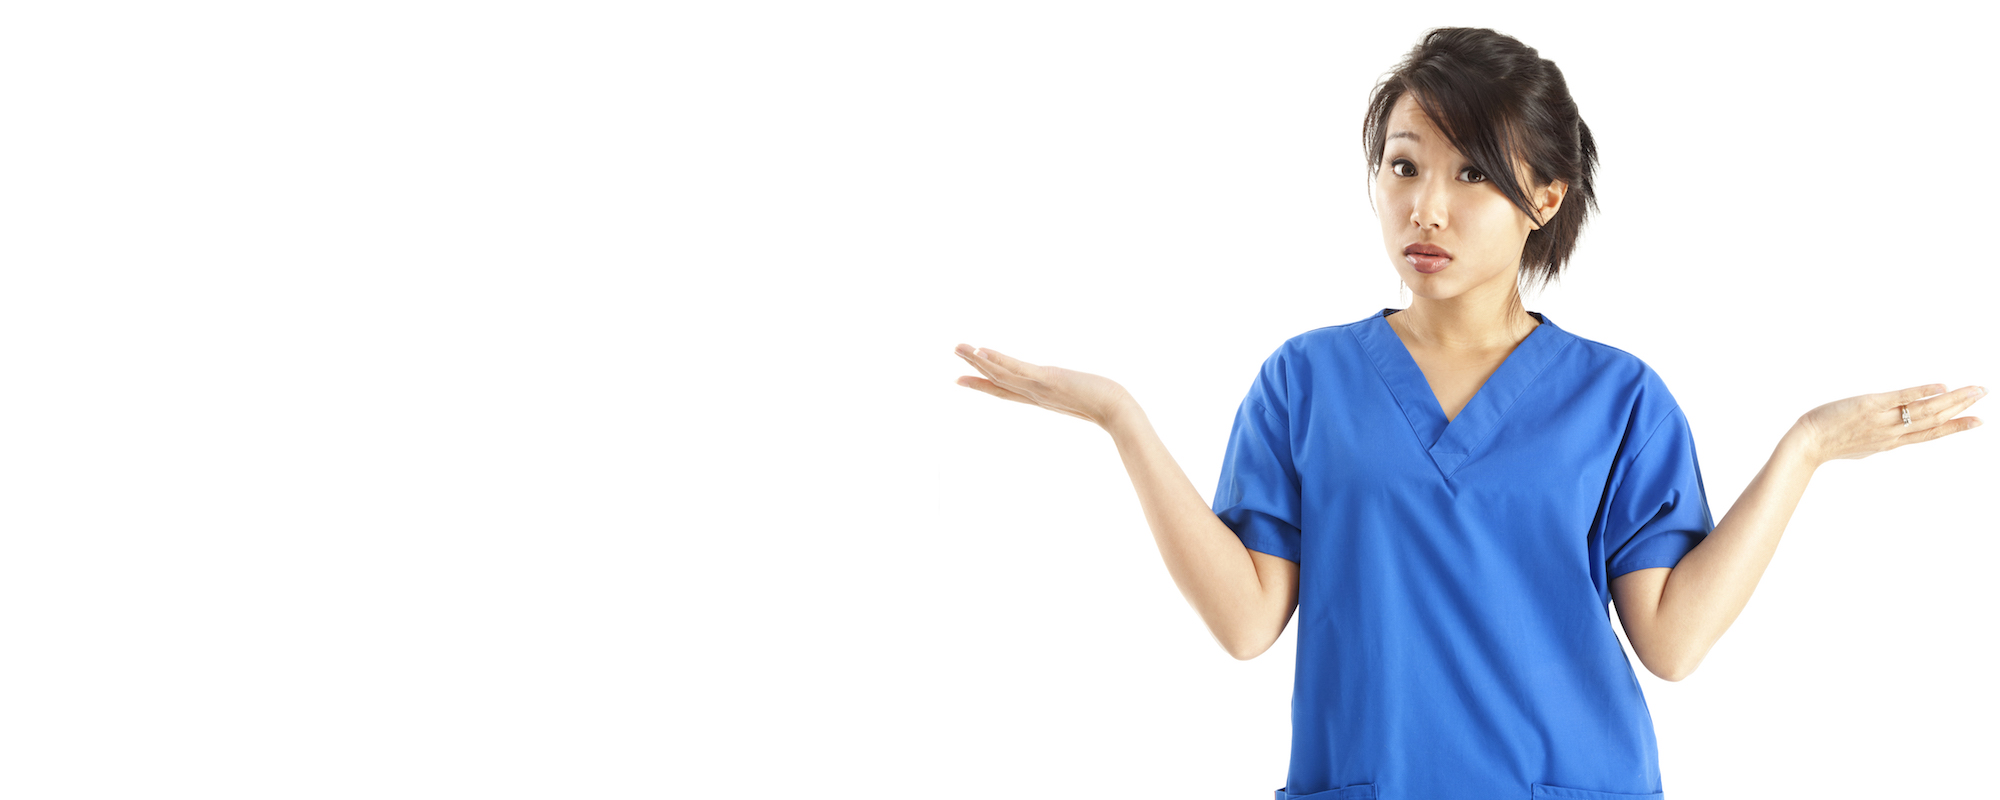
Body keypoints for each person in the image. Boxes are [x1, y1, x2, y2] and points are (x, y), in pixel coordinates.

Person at [951, 26, 1983, 800]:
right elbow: (1243, 619)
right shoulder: (1302, 381)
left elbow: (1669, 639)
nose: (1424, 207)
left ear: (1543, 196)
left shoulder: (1616, 396)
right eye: (1401, 165)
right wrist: (1121, 418)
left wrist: (1802, 449)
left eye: (1470, 173)